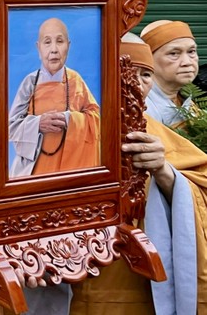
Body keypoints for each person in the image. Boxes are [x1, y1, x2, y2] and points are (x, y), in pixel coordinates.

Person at [70, 34, 207, 314]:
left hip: (142, 284)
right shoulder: (64, 129)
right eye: (125, 71)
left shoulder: (158, 135)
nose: (136, 83)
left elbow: (201, 188)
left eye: (146, 75)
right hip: (68, 279)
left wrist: (165, 173)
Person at [9, 18, 101, 177]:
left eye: (60, 41)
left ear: (68, 46)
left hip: (70, 168)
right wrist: (38, 123)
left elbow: (97, 121)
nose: (54, 49)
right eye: (47, 42)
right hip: (33, 170)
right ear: (38, 49)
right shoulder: (30, 83)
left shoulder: (76, 81)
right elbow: (11, 128)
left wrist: (70, 120)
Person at [140, 20, 200, 127]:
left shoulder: (185, 100)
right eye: (174, 54)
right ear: (149, 59)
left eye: (191, 51)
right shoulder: (140, 106)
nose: (187, 62)